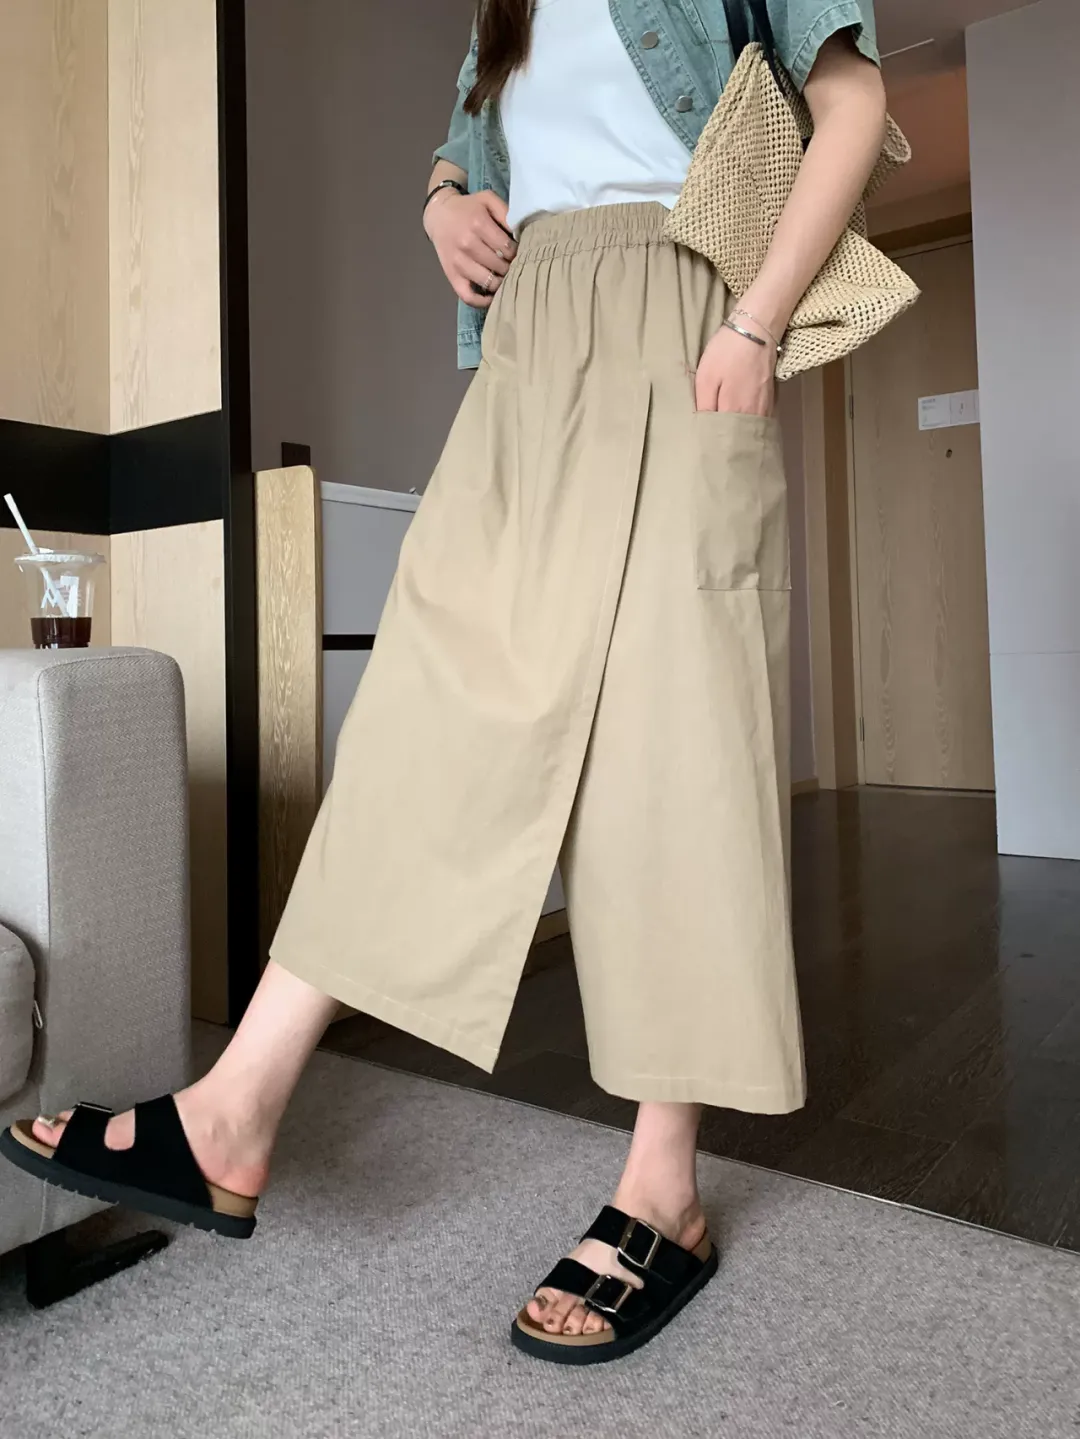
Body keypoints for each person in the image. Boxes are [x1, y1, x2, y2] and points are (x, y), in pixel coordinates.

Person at [2, 0, 887, 1365]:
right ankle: (235, 1109)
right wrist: (438, 205)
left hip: (687, 303)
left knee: (672, 745)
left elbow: (854, 109)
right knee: (425, 705)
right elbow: (468, 140)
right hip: (532, 340)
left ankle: (664, 1187)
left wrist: (756, 323)